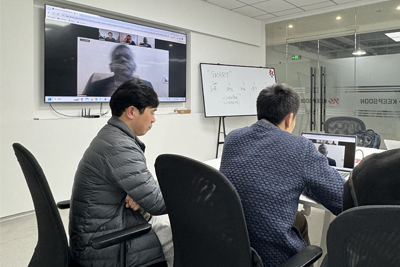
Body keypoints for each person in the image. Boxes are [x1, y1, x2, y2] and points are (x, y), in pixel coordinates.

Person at [219, 83, 345, 267]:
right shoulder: (300, 147)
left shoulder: (232, 138)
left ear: (259, 112)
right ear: (289, 118)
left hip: (234, 244)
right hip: (271, 257)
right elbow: (341, 198)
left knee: (299, 220)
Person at [69, 81, 173, 267]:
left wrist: (141, 195)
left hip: (99, 229)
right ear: (132, 112)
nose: (154, 120)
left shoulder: (111, 135)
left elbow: (144, 189)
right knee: (185, 238)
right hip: (105, 245)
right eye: (152, 112)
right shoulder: (120, 146)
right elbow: (158, 203)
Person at [83, 44, 153, 96]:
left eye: (127, 57)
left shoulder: (147, 86)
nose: (122, 60)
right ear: (111, 67)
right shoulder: (94, 87)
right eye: (117, 57)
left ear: (134, 66)